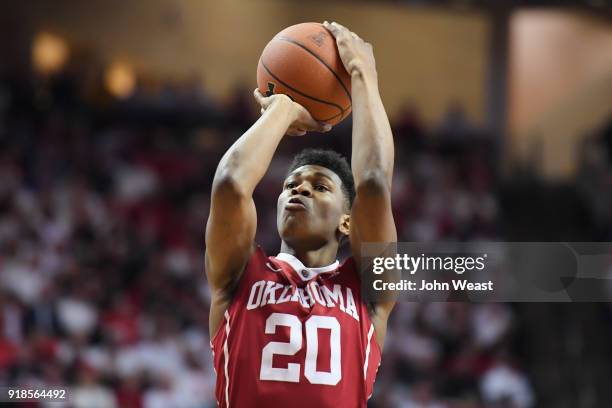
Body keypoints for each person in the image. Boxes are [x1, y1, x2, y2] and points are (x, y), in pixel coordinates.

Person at [205, 21, 397, 407]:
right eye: (290, 185)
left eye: (320, 187)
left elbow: (374, 182)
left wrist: (363, 74)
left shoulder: (366, 293)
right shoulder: (240, 274)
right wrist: (281, 112)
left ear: (348, 221)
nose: (300, 190)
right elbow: (230, 184)